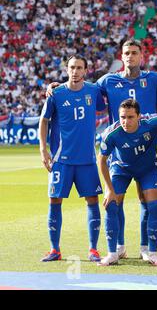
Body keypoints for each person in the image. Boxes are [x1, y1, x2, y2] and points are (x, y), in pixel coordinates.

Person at [47, 39, 157, 262]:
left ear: (142, 56)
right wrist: (56, 86)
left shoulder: (156, 79)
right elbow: (80, 86)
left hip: (146, 149)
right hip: (119, 151)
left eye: (134, 52)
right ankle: (119, 246)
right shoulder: (107, 81)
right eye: (126, 53)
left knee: (145, 199)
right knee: (114, 200)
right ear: (122, 56)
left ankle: (145, 247)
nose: (130, 56)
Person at [39, 55, 106, 262]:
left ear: (85, 70)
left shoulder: (93, 91)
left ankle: (93, 249)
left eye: (79, 68)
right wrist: (43, 149)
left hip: (86, 159)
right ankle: (54, 249)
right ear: (67, 69)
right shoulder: (56, 93)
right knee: (54, 200)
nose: (75, 71)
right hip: (61, 159)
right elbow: (44, 121)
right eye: (71, 67)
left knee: (92, 200)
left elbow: (106, 101)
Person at [97, 99, 157, 266]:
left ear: (139, 116)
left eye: (130, 117)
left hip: (147, 169)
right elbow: (101, 161)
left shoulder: (151, 122)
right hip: (121, 169)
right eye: (123, 117)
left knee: (153, 206)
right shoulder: (111, 133)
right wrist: (109, 190)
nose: (126, 121)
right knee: (111, 204)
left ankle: (150, 252)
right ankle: (114, 252)